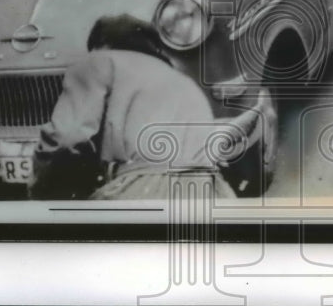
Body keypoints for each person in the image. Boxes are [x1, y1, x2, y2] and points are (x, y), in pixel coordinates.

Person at [29, 14, 265, 200]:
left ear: (102, 44)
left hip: (140, 191)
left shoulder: (100, 61)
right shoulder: (180, 80)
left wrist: (39, 180)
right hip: (207, 191)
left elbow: (67, 137)